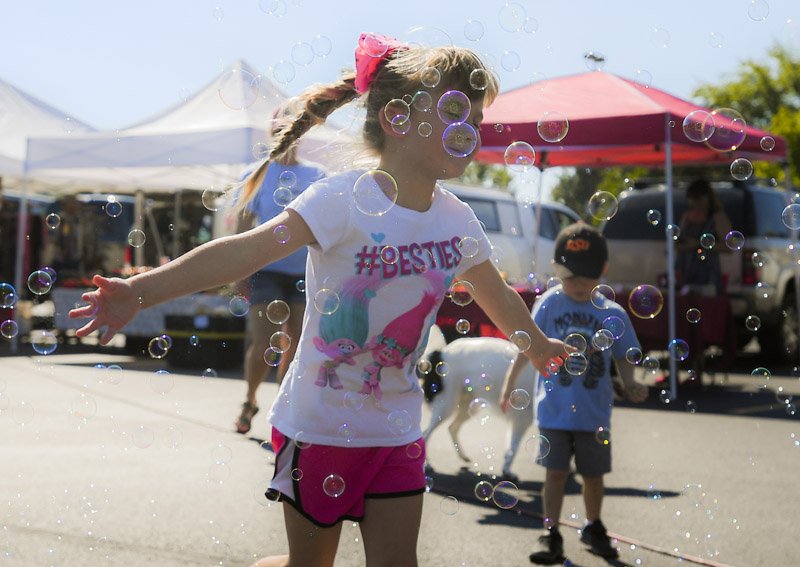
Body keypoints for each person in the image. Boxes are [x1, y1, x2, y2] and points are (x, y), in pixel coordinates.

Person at [70, 32, 567, 567]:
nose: (469, 129)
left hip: (396, 429)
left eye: (476, 118)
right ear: (398, 120)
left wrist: (535, 345)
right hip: (320, 425)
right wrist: (137, 291)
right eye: (453, 110)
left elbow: (496, 295)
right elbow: (242, 253)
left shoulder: (457, 220)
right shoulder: (342, 200)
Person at [500, 222, 649, 565]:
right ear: (556, 270)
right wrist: (510, 383)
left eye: (587, 274)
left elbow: (626, 355)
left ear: (603, 271)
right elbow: (527, 346)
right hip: (553, 411)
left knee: (593, 476)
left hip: (594, 413)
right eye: (570, 275)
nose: (579, 283)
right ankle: (550, 532)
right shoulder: (549, 305)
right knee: (554, 474)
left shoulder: (612, 313)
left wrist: (630, 384)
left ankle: (593, 525)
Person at [233, 105, 326, 434]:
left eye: (294, 130)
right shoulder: (256, 173)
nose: (287, 137)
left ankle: (282, 410)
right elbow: (243, 226)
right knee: (265, 343)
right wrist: (238, 272)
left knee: (297, 343)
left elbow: (326, 226)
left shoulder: (317, 176)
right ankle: (250, 399)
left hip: (304, 271)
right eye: (280, 130)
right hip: (266, 271)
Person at [675, 178, 732, 296]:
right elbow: (678, 242)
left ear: (707, 197)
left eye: (698, 199)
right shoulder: (686, 217)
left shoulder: (717, 217)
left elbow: (728, 246)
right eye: (691, 199)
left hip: (708, 276)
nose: (694, 203)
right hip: (686, 273)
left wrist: (697, 244)